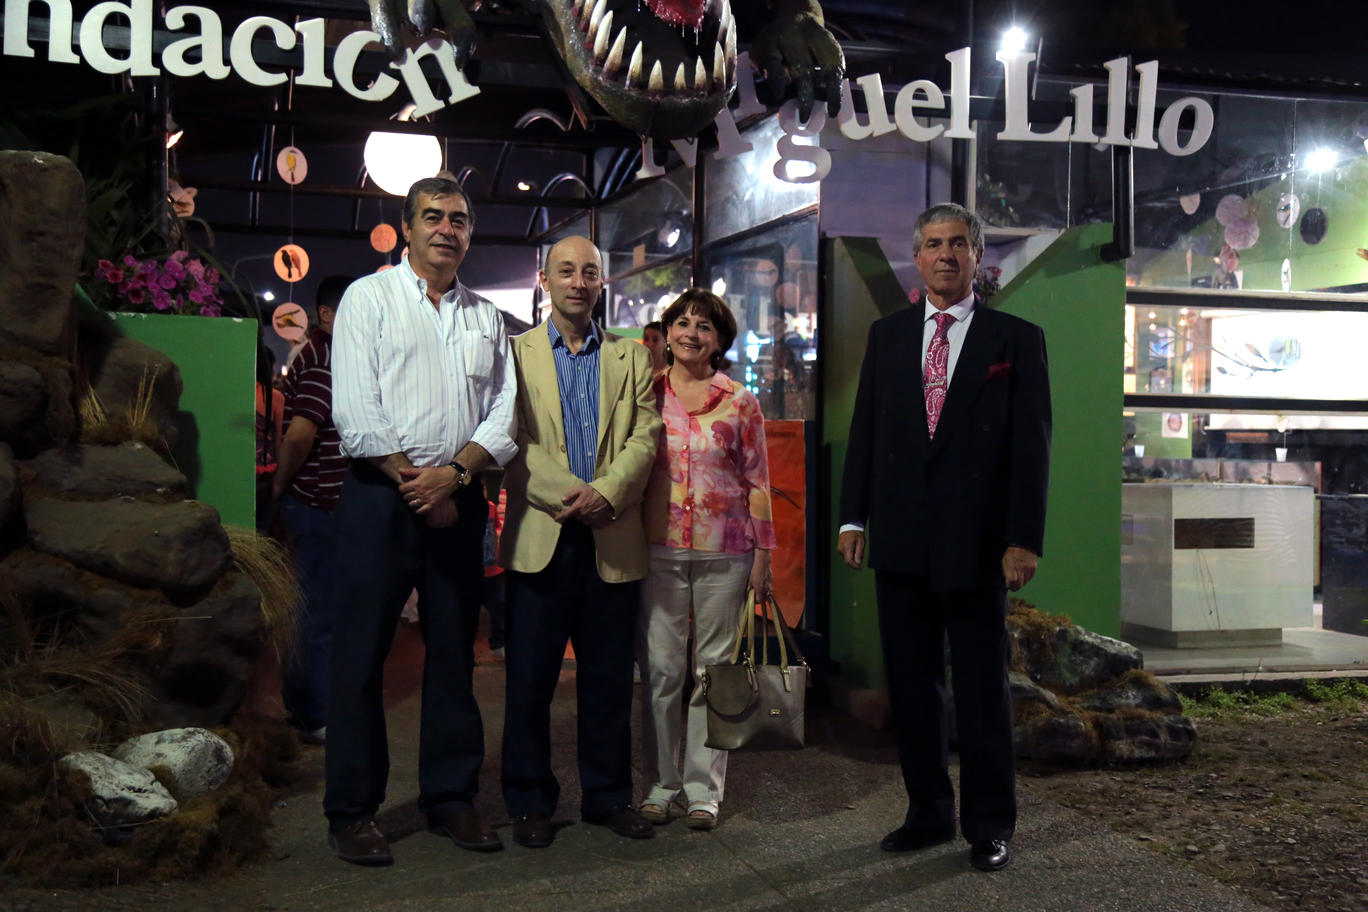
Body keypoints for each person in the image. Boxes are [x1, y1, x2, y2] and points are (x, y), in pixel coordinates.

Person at [837, 203, 1051, 873]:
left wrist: (1023, 539)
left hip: (977, 545)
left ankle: (989, 825)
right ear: (919, 256)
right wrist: (852, 517)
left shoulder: (1015, 339)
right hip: (900, 543)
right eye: (933, 244)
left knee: (983, 692)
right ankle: (928, 812)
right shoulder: (889, 335)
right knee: (913, 689)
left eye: (958, 243)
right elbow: (867, 431)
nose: (946, 255)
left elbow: (1031, 449)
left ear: (978, 255)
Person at [325, 176, 517, 866]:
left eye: (459, 219)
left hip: (457, 501)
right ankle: (351, 811)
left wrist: (456, 477)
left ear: (469, 234)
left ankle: (451, 800)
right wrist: (420, 484)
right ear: (405, 227)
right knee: (358, 659)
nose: (446, 228)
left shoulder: (486, 318)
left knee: (453, 659)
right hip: (382, 497)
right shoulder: (368, 299)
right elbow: (356, 410)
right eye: (432, 216)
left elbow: (504, 414)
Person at [498, 235, 661, 848]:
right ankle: (530, 801)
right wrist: (572, 495)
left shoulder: (631, 357)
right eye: (565, 271)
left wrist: (607, 494)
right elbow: (508, 438)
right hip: (541, 535)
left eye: (588, 271)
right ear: (544, 280)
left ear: (602, 283)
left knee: (609, 680)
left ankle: (608, 795)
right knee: (530, 683)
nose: (577, 281)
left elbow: (646, 436)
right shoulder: (514, 354)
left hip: (611, 534)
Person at [636, 289, 775, 831]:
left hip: (726, 550)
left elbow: (759, 481)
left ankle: (703, 790)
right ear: (666, 332)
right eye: (683, 323)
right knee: (662, 671)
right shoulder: (645, 393)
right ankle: (660, 783)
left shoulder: (740, 400)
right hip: (657, 548)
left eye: (706, 327)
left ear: (720, 341)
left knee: (711, 671)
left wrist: (765, 553)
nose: (692, 333)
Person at [272, 274, 352, 744]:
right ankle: (314, 713)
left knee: (320, 608)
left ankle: (314, 706)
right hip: (317, 504)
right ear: (326, 314)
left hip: (322, 505)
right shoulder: (323, 357)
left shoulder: (321, 354)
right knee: (316, 611)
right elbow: (302, 434)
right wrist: (280, 488)